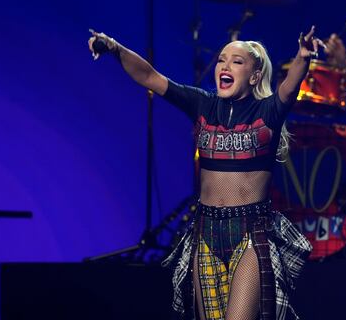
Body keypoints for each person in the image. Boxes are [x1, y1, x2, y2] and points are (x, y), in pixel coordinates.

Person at [87, 28, 319, 319]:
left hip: (249, 232)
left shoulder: (268, 111)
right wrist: (114, 47)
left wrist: (302, 57)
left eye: (237, 61)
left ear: (255, 75)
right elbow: (149, 77)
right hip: (206, 231)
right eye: (222, 60)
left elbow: (289, 88)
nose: (225, 65)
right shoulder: (203, 104)